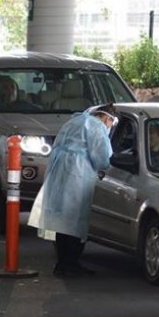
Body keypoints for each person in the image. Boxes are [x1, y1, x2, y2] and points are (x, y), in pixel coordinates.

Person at [28, 104, 118, 277]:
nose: (108, 128)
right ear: (107, 119)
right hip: (78, 172)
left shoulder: (76, 120)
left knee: (62, 220)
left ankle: (63, 263)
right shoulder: (96, 126)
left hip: (59, 170)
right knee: (76, 219)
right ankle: (70, 263)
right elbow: (102, 156)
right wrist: (106, 167)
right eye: (110, 124)